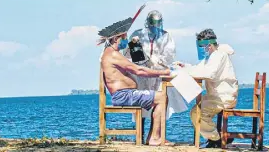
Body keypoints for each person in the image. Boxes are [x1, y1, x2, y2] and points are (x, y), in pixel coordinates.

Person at [98, 17, 171, 145]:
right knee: (162, 98)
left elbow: (134, 63)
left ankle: (152, 137)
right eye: (124, 38)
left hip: (125, 94)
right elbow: (139, 71)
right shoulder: (113, 54)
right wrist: (163, 72)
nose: (126, 40)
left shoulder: (110, 53)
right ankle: (154, 138)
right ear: (116, 39)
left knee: (161, 97)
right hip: (124, 95)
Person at [123, 10, 187, 143]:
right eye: (153, 24)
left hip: (158, 75)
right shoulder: (137, 34)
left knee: (160, 104)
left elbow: (168, 55)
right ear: (148, 23)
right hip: (142, 74)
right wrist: (135, 47)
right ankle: (139, 136)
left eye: (157, 25)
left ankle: (154, 135)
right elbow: (129, 55)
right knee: (141, 104)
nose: (155, 27)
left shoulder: (166, 36)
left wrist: (156, 61)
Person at [176, 29, 238, 148]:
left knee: (196, 113)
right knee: (196, 110)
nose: (201, 49)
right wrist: (186, 67)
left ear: (208, 45)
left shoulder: (218, 55)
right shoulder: (212, 56)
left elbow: (209, 73)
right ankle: (216, 136)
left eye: (201, 46)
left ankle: (217, 138)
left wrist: (187, 71)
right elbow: (199, 68)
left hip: (223, 97)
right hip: (217, 96)